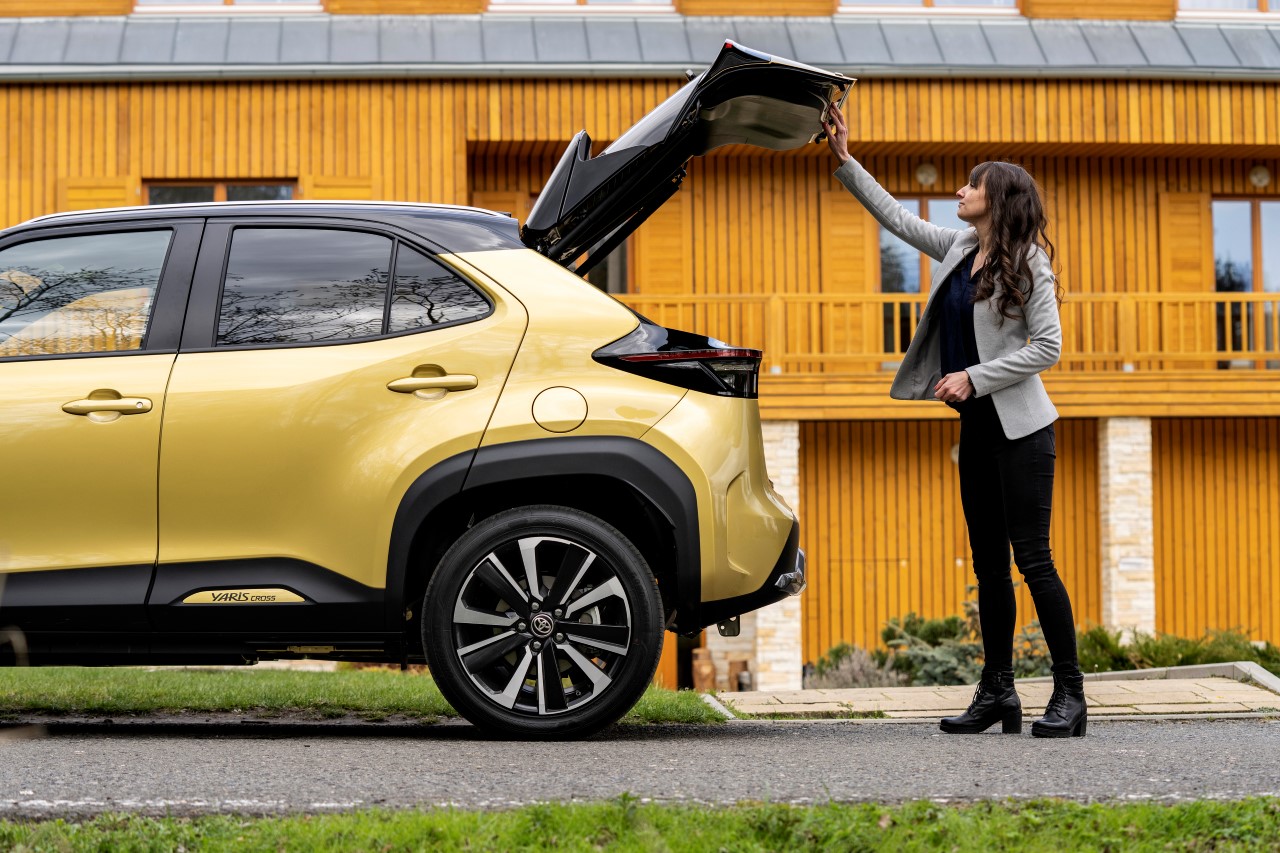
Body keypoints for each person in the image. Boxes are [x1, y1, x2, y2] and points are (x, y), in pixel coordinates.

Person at [821, 104, 1087, 738]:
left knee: (1034, 561)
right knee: (989, 567)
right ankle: (998, 692)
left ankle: (1071, 695)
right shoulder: (959, 248)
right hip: (978, 431)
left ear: (999, 200)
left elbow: (1049, 347)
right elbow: (897, 218)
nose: (960, 192)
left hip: (1023, 432)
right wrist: (845, 159)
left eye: (972, 185)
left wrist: (975, 376)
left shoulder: (1029, 262)